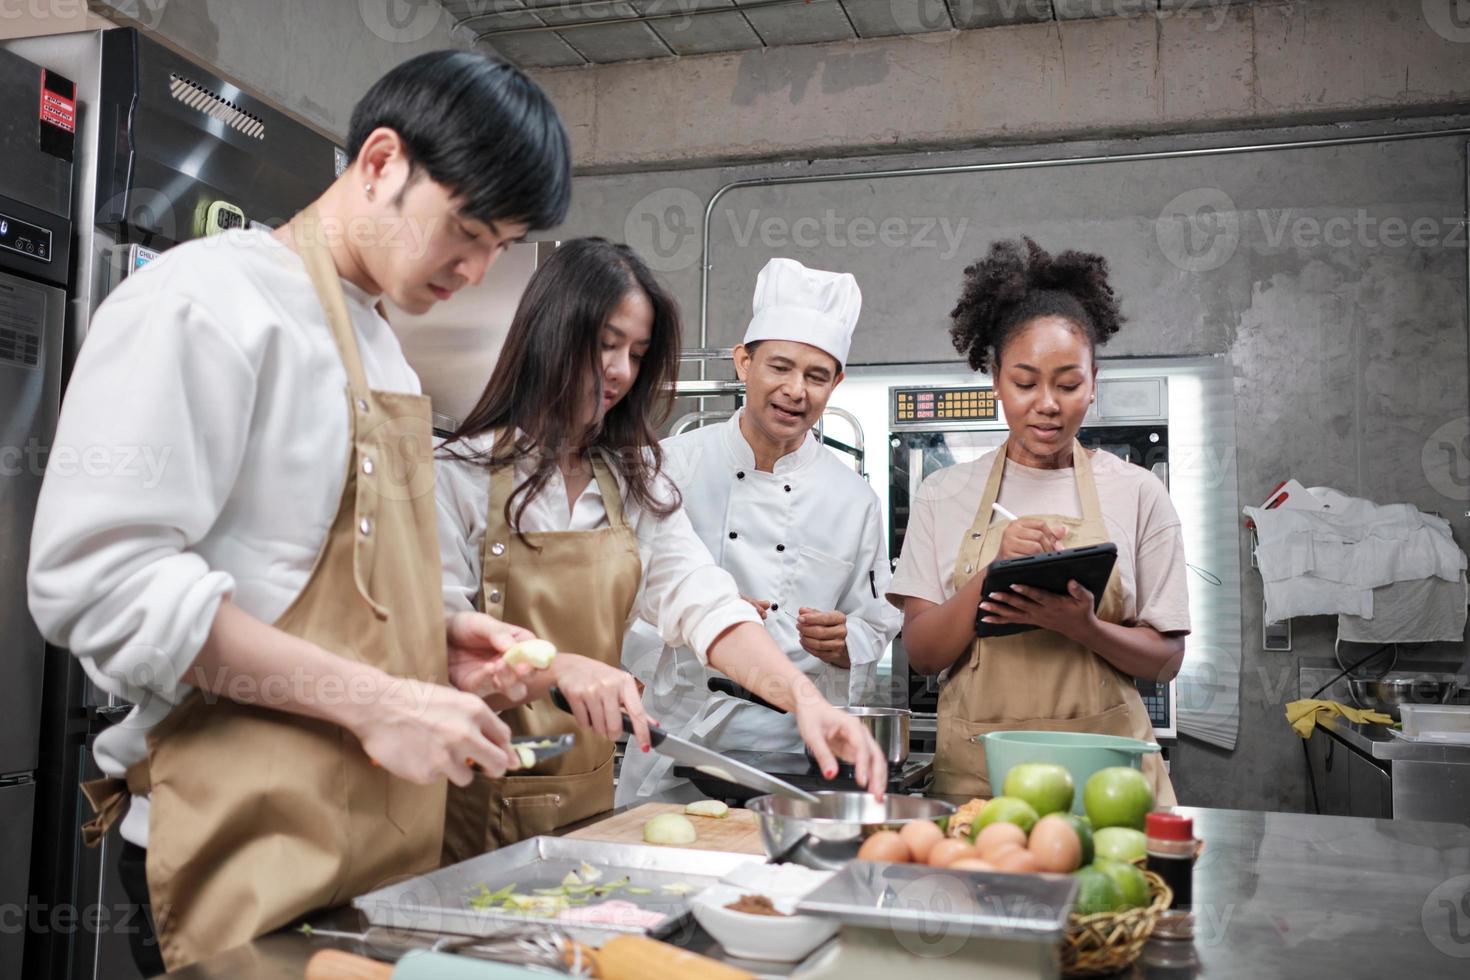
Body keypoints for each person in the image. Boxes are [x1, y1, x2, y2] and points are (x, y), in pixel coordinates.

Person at [27, 51, 570, 972]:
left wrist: (429, 641)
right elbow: (100, 586)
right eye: (468, 230)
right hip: (245, 846)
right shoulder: (204, 301)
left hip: (369, 849)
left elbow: (294, 580)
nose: (476, 271)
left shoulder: (384, 351)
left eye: (502, 246)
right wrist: (377, 699)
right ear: (381, 162)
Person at [435, 239, 887, 859]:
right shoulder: (454, 473)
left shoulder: (631, 484)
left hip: (584, 793)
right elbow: (427, 631)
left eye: (637, 354)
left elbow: (703, 601)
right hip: (464, 787)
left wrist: (806, 701)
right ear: (548, 333)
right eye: (604, 344)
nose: (620, 370)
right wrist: (555, 666)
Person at [888, 238, 1189, 803]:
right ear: (996, 378)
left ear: (1094, 381)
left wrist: (1084, 628)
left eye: (1068, 384)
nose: (1047, 403)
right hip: (983, 780)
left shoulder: (1139, 492)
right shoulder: (944, 492)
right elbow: (925, 654)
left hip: (1108, 779)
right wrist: (994, 568)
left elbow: (1167, 659)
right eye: (1025, 383)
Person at [617, 258, 902, 805]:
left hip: (794, 749)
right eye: (780, 367)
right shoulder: (666, 467)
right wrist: (702, 619)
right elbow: (620, 598)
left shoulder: (855, 499)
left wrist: (847, 642)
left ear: (836, 383)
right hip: (678, 739)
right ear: (744, 363)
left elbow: (878, 620)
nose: (797, 390)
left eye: (817, 376)